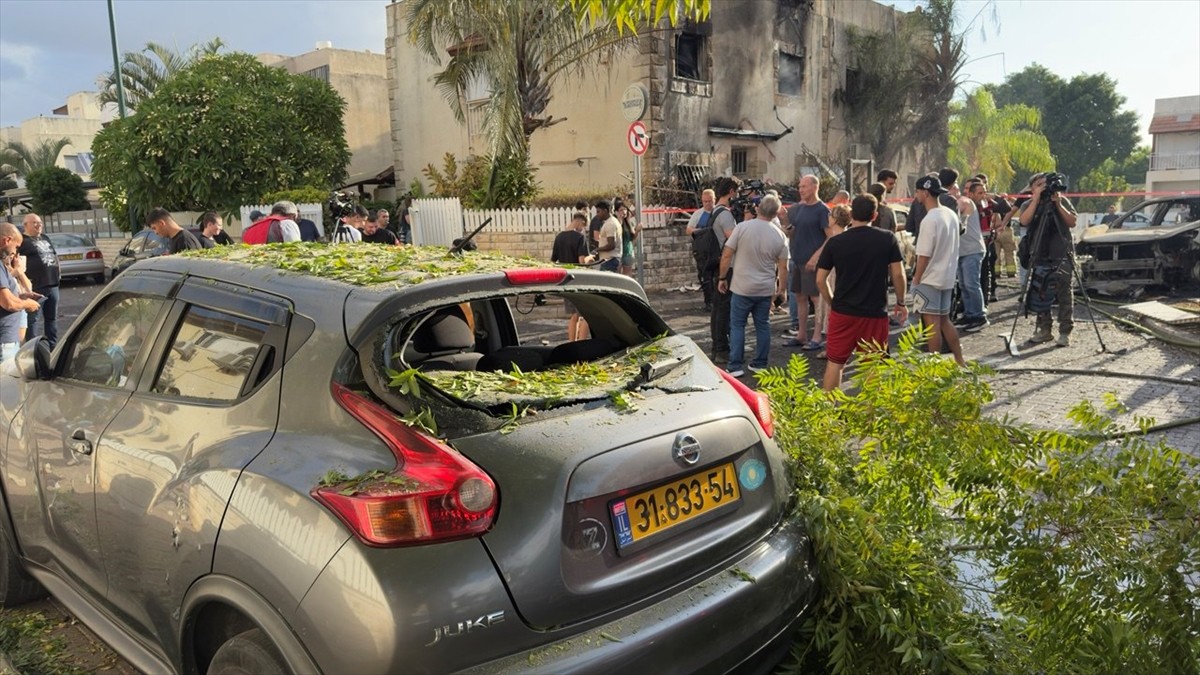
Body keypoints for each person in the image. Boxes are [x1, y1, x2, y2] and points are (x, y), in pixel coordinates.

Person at [816, 194, 908, 390]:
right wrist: (901, 302)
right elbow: (898, 275)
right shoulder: (887, 238)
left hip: (843, 311)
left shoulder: (836, 242)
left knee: (835, 362)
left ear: (851, 213)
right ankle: (868, 415)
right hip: (874, 313)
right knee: (872, 365)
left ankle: (826, 414)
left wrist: (832, 301)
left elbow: (820, 279)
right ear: (874, 215)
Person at [716, 193, 788, 377]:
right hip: (765, 289)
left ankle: (735, 366)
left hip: (741, 286)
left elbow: (727, 254)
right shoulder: (780, 235)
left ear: (758, 208)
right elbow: (783, 267)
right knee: (762, 325)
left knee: (738, 325)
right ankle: (760, 363)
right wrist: (781, 290)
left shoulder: (742, 228)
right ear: (776, 213)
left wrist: (722, 277)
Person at [910, 175, 966, 366]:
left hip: (930, 278)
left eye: (917, 192)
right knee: (944, 321)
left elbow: (924, 254)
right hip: (948, 276)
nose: (916, 195)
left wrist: (916, 279)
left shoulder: (929, 219)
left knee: (931, 324)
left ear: (925, 193)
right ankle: (959, 360)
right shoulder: (950, 214)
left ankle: (934, 366)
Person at [1018, 172, 1078, 347]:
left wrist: (1058, 204)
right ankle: (1044, 330)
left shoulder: (1061, 200)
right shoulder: (1029, 204)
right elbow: (1024, 221)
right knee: (1041, 291)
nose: (1044, 187)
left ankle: (1065, 331)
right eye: (1039, 184)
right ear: (1032, 188)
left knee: (1065, 293)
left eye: (1046, 183)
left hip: (1062, 253)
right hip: (1040, 253)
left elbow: (1072, 221)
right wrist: (1036, 199)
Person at [785, 174, 830, 351]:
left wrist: (815, 257)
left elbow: (830, 237)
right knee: (800, 297)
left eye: (804, 186)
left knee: (816, 299)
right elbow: (793, 231)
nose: (800, 190)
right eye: (800, 186)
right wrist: (786, 224)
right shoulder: (800, 208)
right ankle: (802, 335)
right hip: (797, 260)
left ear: (814, 187)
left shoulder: (822, 210)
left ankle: (817, 336)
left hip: (812, 263)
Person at [707, 177, 740, 364]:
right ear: (731, 191)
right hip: (725, 267)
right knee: (723, 309)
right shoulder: (725, 215)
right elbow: (734, 241)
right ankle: (721, 348)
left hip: (718, 264)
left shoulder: (714, 212)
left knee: (718, 308)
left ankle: (717, 347)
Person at [17, 213, 61, 347]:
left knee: (51, 318)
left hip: (53, 284)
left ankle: (52, 346)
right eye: (35, 223)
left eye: (40, 223)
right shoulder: (22, 241)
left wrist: (59, 272)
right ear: (26, 225)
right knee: (33, 320)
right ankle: (31, 349)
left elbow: (54, 255)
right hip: (35, 287)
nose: (39, 225)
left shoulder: (45, 237)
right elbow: (16, 262)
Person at [0, 222, 42, 362]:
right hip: (3, 342)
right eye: (16, 246)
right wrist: (27, 304)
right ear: (7, 240)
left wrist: (21, 296)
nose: (15, 252)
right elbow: (8, 303)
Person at [812, 204, 850, 353]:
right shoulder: (844, 237)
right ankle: (832, 346)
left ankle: (833, 348)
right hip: (836, 276)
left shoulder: (835, 240)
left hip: (833, 276)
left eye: (830, 215)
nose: (828, 218)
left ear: (835, 220)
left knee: (831, 310)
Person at [954, 179, 989, 333]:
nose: (983, 196)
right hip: (963, 251)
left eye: (983, 192)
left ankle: (979, 316)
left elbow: (963, 208)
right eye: (980, 193)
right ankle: (970, 314)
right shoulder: (963, 200)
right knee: (964, 285)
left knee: (971, 284)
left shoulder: (966, 202)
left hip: (972, 250)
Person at [551, 212, 591, 340]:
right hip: (578, 278)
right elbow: (581, 261)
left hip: (564, 279)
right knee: (582, 314)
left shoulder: (559, 237)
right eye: (584, 226)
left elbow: (553, 260)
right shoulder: (580, 237)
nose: (583, 229)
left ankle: (572, 342)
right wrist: (590, 257)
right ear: (580, 222)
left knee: (573, 315)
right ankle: (580, 342)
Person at [686, 188, 717, 310]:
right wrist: (702, 232)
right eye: (705, 201)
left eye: (710, 201)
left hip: (717, 250)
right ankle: (708, 302)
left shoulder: (719, 212)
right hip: (702, 251)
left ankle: (716, 301)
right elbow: (689, 230)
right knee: (705, 276)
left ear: (714, 200)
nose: (708, 204)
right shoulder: (698, 214)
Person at [592, 200, 622, 272]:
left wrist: (597, 250)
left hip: (610, 260)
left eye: (598, 212)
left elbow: (611, 245)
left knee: (606, 282)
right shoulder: (614, 221)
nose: (597, 214)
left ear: (605, 211)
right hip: (612, 259)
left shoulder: (610, 224)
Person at [615, 199, 639, 276]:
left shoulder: (628, 222)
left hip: (628, 252)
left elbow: (632, 237)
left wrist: (637, 231)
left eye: (625, 209)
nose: (623, 212)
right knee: (617, 275)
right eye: (621, 210)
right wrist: (619, 220)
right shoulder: (615, 223)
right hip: (618, 253)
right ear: (616, 212)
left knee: (628, 275)